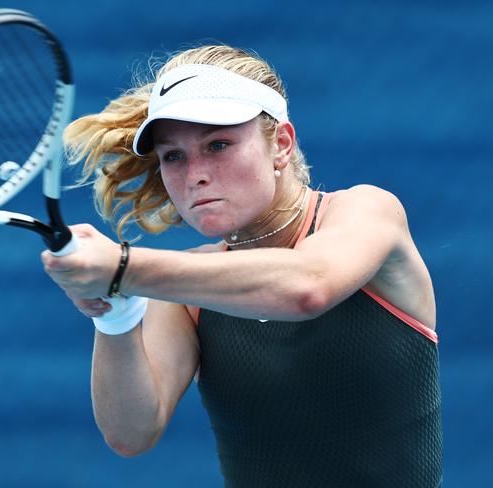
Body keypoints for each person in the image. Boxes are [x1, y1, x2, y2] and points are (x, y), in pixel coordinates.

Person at [41, 45, 443, 487]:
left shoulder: (367, 210)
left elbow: (308, 287)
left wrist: (123, 267)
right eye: (173, 155)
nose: (194, 173)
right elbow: (131, 432)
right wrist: (115, 314)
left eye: (218, 144)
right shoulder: (181, 293)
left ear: (282, 144)